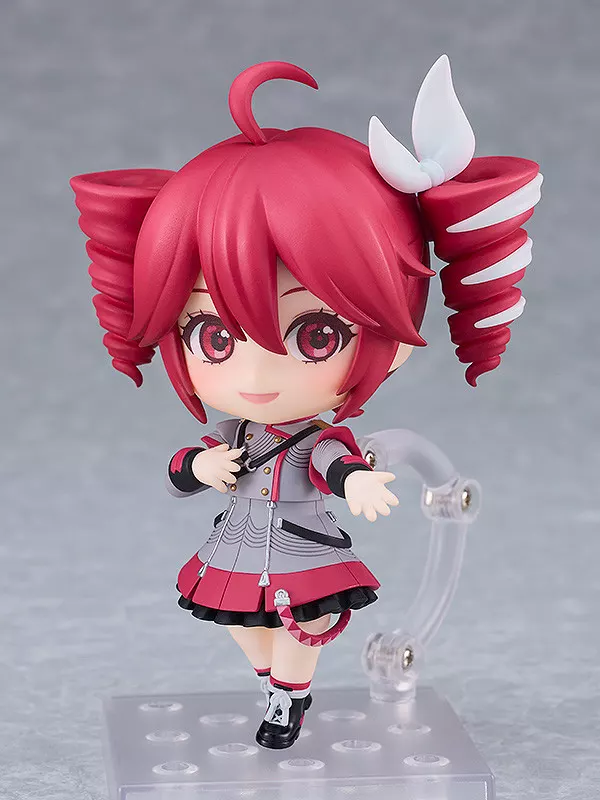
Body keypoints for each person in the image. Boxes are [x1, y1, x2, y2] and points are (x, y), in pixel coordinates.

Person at [71, 56, 541, 749]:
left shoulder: (313, 437)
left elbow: (331, 463)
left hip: (299, 547)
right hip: (236, 545)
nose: (259, 372)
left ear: (392, 339)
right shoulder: (233, 431)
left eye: (315, 335)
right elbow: (181, 471)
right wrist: (201, 469)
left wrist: (359, 482)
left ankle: (289, 697)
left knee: (303, 623)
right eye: (213, 336)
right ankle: (274, 684)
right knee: (241, 625)